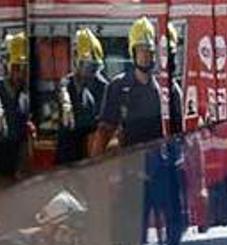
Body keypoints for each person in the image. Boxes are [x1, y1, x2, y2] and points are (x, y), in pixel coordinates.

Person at [90, 17, 165, 154]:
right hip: (131, 166)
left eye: (148, 49)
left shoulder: (164, 89)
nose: (145, 54)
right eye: (141, 49)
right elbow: (104, 131)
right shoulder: (118, 87)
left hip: (160, 164)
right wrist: (93, 169)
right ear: (133, 52)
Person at [56, 28, 109, 165]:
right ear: (76, 61)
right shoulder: (66, 86)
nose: (92, 73)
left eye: (95, 68)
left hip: (92, 162)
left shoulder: (102, 86)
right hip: (68, 161)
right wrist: (66, 105)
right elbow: (63, 96)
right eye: (88, 67)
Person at [0, 32, 32, 184]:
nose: (20, 73)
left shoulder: (23, 98)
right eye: (16, 68)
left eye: (24, 69)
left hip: (13, 171)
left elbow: (22, 138)